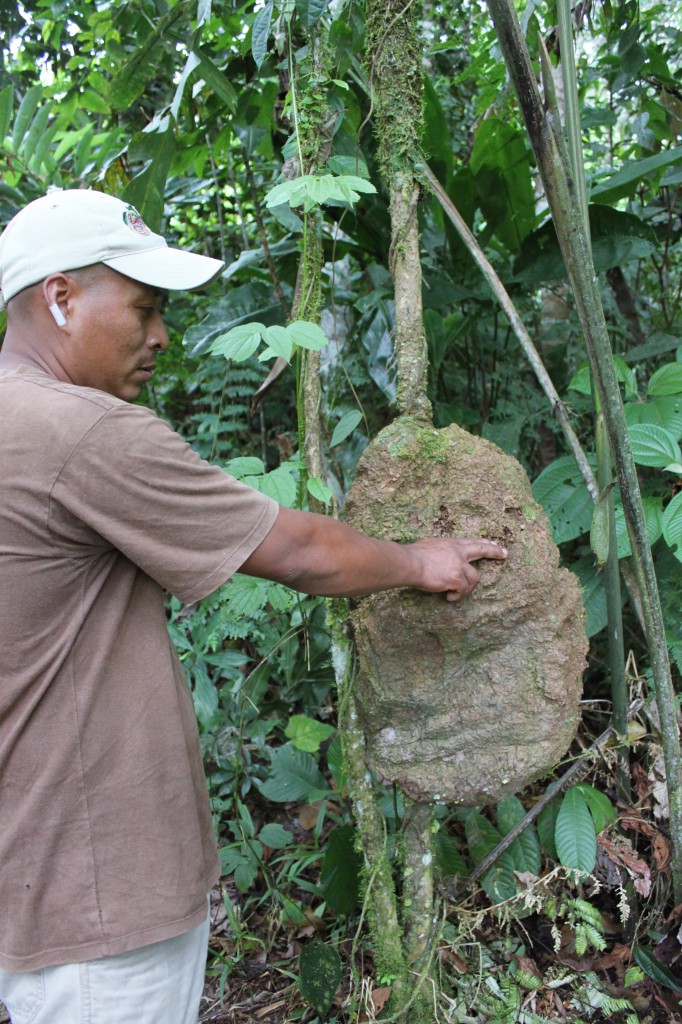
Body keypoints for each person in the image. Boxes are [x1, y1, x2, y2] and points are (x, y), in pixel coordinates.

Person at [0, 189, 506, 1024]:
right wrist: (422, 560)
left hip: (31, 883)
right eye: (144, 308)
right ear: (60, 298)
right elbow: (298, 552)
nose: (161, 335)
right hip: (99, 904)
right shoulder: (85, 432)